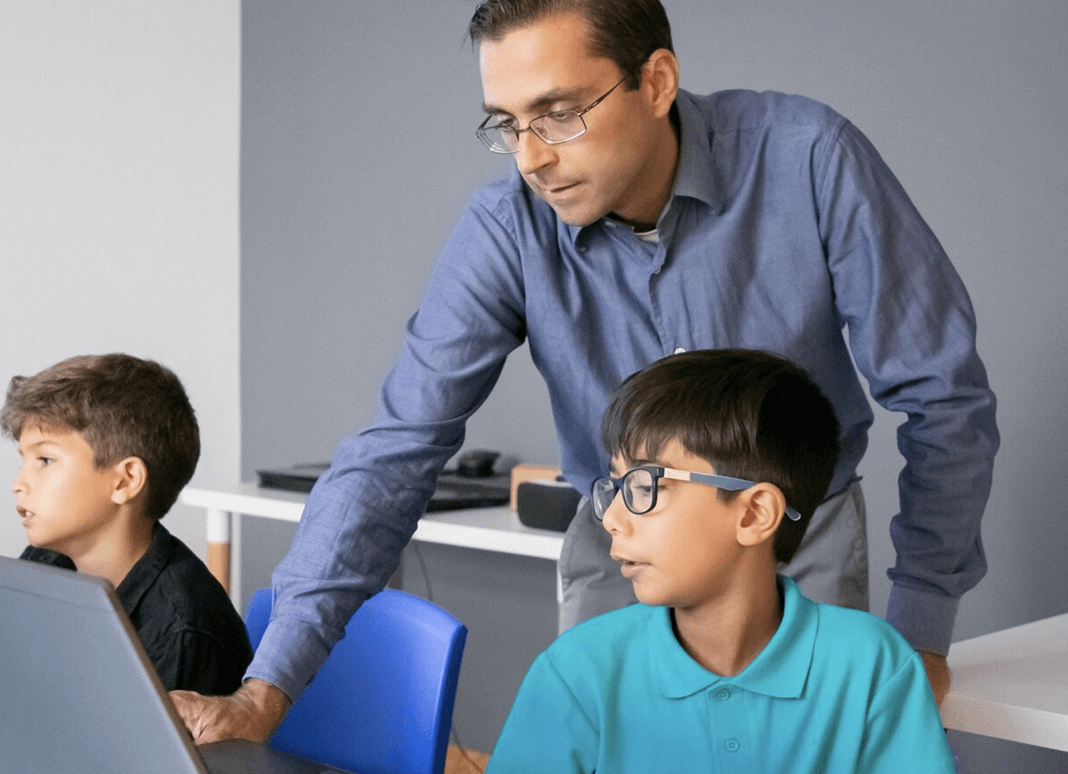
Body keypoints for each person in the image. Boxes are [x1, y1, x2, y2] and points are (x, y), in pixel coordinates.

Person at [172, 0, 998, 741]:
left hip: (795, 541)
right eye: (506, 122)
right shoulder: (505, 227)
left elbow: (945, 397)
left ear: (658, 80)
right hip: (620, 544)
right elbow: (395, 450)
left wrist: (922, 628)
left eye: (560, 114)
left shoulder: (810, 158)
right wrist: (266, 688)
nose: (530, 156)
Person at [486, 349, 956, 773]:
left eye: (645, 488)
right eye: (614, 487)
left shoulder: (874, 665)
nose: (611, 517)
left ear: (753, 513)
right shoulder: (575, 671)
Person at [2, 353, 253, 695]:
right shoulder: (45, 561)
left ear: (125, 481)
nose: (19, 483)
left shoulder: (181, 629)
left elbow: (147, 747)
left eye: (44, 460)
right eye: (24, 461)